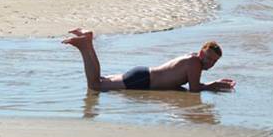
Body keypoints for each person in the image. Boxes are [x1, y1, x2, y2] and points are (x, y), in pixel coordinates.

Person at [62, 29, 236, 92]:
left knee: (98, 81)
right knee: (95, 85)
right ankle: (84, 46)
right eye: (208, 57)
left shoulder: (191, 59)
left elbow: (178, 83)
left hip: (142, 74)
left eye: (213, 62)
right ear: (201, 52)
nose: (209, 63)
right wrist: (214, 85)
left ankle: (88, 41)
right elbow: (194, 89)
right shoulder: (195, 63)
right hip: (142, 79)